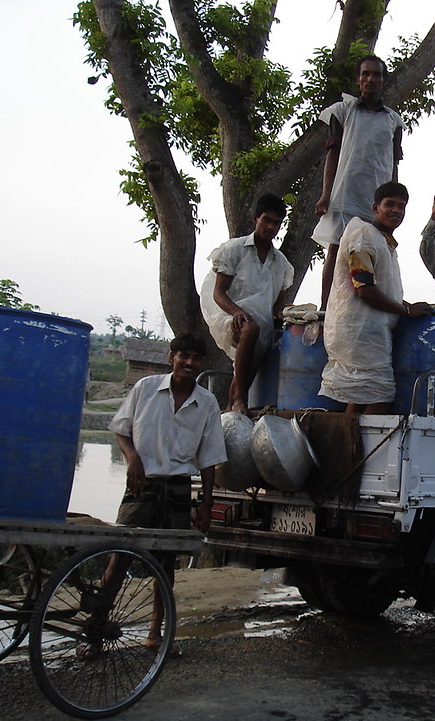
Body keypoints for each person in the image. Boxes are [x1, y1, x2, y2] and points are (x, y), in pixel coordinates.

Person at [107, 332, 227, 656]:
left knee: (165, 564)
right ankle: (97, 625)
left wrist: (206, 505)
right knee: (119, 554)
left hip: (177, 487)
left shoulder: (207, 403)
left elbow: (210, 458)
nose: (189, 363)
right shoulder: (145, 389)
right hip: (141, 484)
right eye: (183, 355)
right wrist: (132, 459)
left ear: (202, 364)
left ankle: (155, 632)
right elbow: (121, 430)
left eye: (195, 358)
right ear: (170, 358)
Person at [319, 181, 431, 414]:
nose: (396, 211)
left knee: (360, 395)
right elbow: (364, 289)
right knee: (381, 394)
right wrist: (407, 311)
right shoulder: (363, 236)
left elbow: (383, 290)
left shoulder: (383, 242)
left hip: (368, 332)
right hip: (358, 332)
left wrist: (407, 306)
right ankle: (361, 451)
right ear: (375, 208)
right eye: (390, 204)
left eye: (402, 207)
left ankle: (348, 447)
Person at [312, 55, 405, 310]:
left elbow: (393, 161)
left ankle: (369, 306)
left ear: (383, 80)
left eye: (376, 74)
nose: (370, 79)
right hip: (346, 192)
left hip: (377, 198)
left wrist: (395, 200)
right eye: (365, 74)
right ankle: (326, 309)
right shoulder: (342, 111)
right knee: (336, 249)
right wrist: (325, 194)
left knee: (376, 251)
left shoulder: (393, 121)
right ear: (358, 79)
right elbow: (332, 153)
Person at [200, 194, 294, 412]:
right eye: (266, 220)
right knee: (250, 329)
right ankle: (241, 398)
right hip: (228, 314)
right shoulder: (234, 249)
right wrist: (237, 312)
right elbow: (219, 293)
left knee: (260, 336)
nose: (271, 227)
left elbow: (277, 308)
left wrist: (295, 315)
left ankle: (232, 406)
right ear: (256, 219)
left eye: (276, 223)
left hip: (262, 323)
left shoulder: (281, 263)